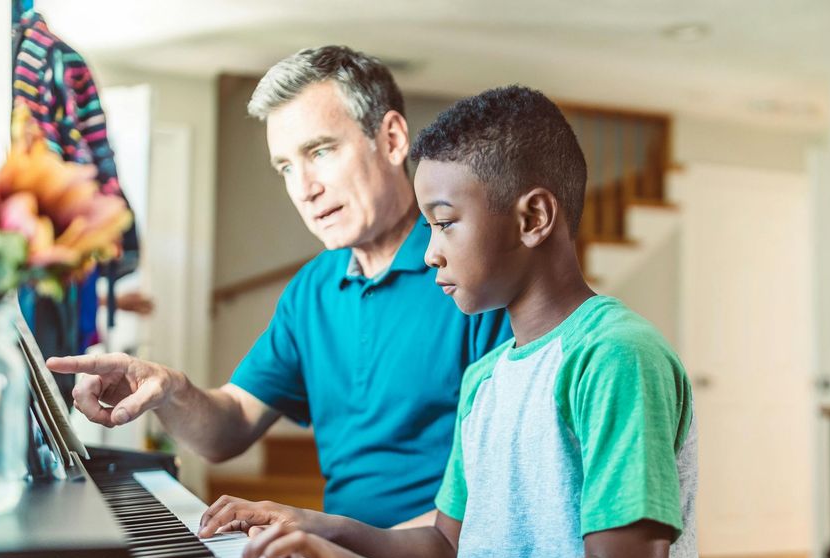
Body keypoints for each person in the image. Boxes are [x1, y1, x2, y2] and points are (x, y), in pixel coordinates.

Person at [198, 86, 700, 558]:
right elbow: (446, 544)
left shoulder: (615, 355)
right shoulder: (487, 377)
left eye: (443, 223)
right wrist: (319, 527)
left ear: (533, 218)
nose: (431, 254)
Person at [47, 46, 511, 528]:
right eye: (286, 167)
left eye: (321, 151)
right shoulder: (311, 290)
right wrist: (169, 390)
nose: (304, 188)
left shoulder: (472, 278)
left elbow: (502, 497)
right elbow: (227, 430)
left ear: (392, 140)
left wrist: (331, 540)